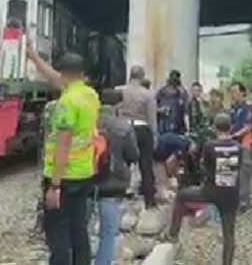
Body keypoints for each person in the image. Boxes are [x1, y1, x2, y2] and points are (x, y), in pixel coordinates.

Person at [27, 45, 100, 265]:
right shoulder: (89, 95)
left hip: (64, 177)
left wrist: (55, 186)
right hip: (84, 174)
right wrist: (34, 56)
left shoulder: (67, 103)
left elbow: (63, 146)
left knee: (57, 235)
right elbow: (56, 80)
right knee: (79, 230)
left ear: (66, 73)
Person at [165, 113, 241, 265]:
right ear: (230, 127)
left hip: (211, 190)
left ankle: (173, 233)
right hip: (231, 192)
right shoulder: (239, 147)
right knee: (229, 232)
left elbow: (203, 166)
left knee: (181, 196)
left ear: (215, 128)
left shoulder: (210, 145)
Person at [94, 89, 139, 265]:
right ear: (119, 105)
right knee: (108, 232)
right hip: (112, 185)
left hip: (85, 181)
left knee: (81, 229)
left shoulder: (88, 122)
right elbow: (133, 155)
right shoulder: (124, 126)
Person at [118, 65, 159, 209]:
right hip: (142, 127)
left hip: (123, 128)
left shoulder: (120, 90)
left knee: (122, 164)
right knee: (146, 165)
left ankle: (119, 198)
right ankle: (149, 201)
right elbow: (152, 118)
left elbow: (116, 111)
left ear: (130, 75)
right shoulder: (148, 94)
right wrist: (154, 136)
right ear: (142, 77)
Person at [228, 82, 252, 211]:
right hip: (232, 141)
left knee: (245, 171)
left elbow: (248, 126)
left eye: (235, 91)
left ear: (242, 92)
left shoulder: (248, 107)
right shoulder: (232, 107)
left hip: (245, 141)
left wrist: (235, 135)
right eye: (231, 92)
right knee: (231, 169)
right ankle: (232, 198)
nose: (233, 95)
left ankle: (245, 199)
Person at [156, 70, 188, 135]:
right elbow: (155, 106)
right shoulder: (162, 91)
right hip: (165, 123)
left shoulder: (181, 92)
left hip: (179, 125)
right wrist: (160, 110)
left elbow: (186, 108)